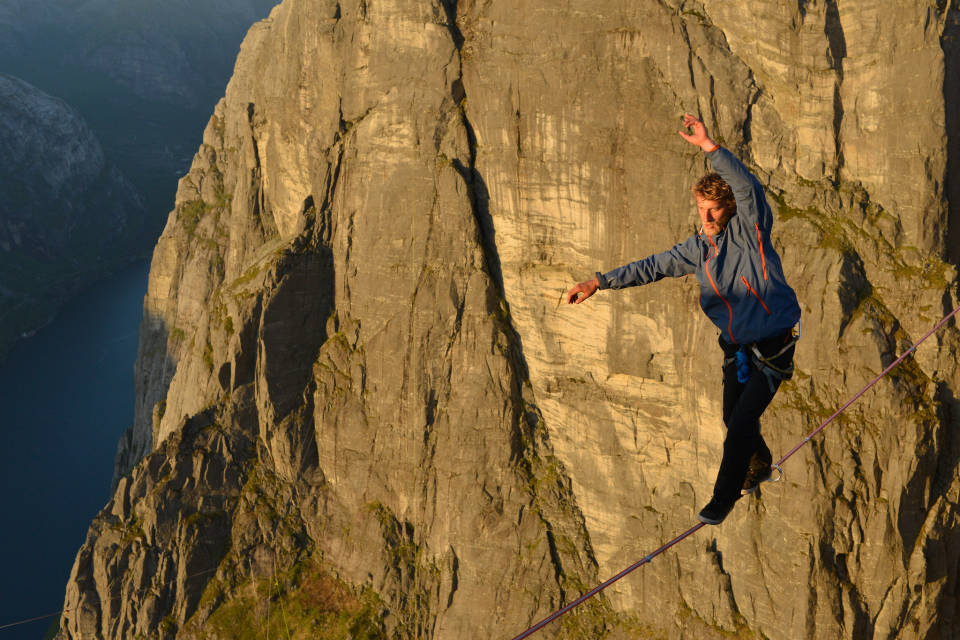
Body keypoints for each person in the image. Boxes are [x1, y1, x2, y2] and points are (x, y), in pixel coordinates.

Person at [566, 114, 802, 525]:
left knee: (741, 422)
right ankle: (759, 462)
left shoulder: (751, 234)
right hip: (738, 349)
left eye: (714, 211)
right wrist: (599, 282)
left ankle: (723, 497)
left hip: (774, 346)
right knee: (733, 420)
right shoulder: (696, 249)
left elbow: (748, 188)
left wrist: (711, 149)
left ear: (729, 211)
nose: (706, 219)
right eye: (701, 210)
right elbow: (651, 267)